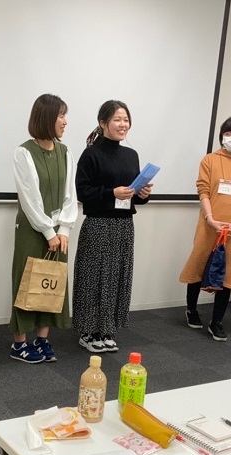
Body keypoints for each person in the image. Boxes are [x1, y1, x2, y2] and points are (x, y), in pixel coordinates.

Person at [72, 100, 152, 352]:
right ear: (103, 123)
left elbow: (133, 195)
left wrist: (143, 194)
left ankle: (106, 329)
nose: (123, 124)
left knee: (117, 277)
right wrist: (111, 193)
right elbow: (82, 192)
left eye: (126, 120)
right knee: (94, 278)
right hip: (98, 225)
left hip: (124, 226)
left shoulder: (131, 155)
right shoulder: (91, 153)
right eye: (117, 119)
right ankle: (88, 332)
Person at [179, 116, 231, 342]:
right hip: (209, 224)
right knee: (199, 264)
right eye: (228, 133)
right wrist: (210, 218)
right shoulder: (210, 160)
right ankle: (191, 309)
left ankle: (217, 322)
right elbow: (203, 190)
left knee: (228, 270)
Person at [9, 94, 77, 363]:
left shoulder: (66, 152)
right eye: (61, 115)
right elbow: (30, 197)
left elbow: (70, 194)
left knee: (52, 282)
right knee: (27, 282)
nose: (65, 121)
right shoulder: (23, 152)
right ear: (46, 117)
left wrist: (64, 229)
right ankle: (19, 344)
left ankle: (42, 339)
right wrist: (48, 232)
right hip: (33, 229)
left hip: (59, 232)